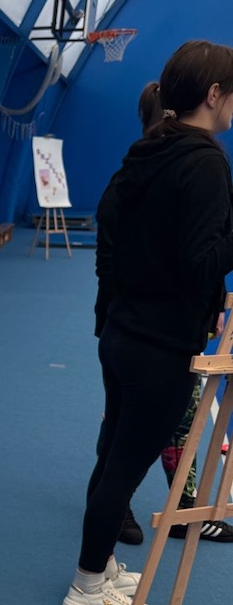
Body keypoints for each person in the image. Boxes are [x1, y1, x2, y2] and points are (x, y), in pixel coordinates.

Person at [64, 40, 233, 605]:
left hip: (124, 331)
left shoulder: (152, 148)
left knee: (114, 451)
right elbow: (199, 261)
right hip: (157, 343)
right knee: (125, 464)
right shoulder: (203, 161)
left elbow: (132, 234)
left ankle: (101, 565)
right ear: (214, 94)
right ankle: (87, 584)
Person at [95, 80, 233, 548]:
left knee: (153, 429)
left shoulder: (158, 168)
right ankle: (105, 542)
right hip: (146, 333)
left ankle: (171, 507)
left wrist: (210, 303)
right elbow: (183, 260)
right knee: (127, 442)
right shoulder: (166, 170)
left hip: (141, 328)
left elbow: (190, 249)